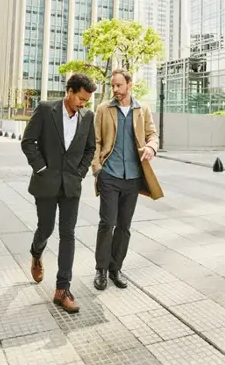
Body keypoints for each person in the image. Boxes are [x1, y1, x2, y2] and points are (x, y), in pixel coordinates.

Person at [21, 73, 97, 313]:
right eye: (81, 99)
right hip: (46, 182)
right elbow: (28, 141)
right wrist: (41, 167)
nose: (83, 104)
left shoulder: (88, 117)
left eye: (86, 101)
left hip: (71, 186)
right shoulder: (46, 110)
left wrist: (80, 172)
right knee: (46, 228)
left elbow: (90, 148)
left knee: (68, 234)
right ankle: (36, 252)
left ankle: (62, 289)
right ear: (70, 91)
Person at [92, 69, 163, 291]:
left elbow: (153, 135)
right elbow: (95, 140)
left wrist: (151, 147)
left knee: (124, 226)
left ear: (129, 85)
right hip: (110, 175)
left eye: (119, 85)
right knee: (107, 223)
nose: (115, 90)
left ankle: (116, 268)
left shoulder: (142, 110)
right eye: (113, 85)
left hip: (132, 177)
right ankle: (101, 270)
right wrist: (97, 169)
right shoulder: (104, 109)